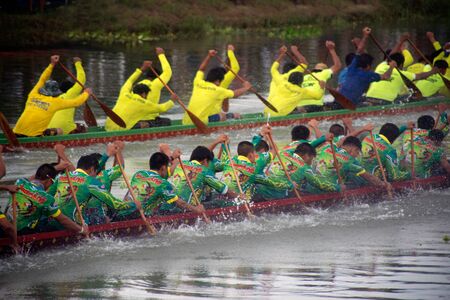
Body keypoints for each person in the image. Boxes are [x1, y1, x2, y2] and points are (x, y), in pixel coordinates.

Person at [13, 55, 91, 137]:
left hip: (15, 132)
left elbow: (42, 79)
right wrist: (86, 93)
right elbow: (77, 102)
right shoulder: (56, 101)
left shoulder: (33, 94)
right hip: (34, 135)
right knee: (62, 130)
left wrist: (52, 64)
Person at [48, 155, 137, 226]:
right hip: (71, 224)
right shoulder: (90, 181)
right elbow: (115, 204)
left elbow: (48, 196)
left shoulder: (62, 177)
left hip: (51, 219)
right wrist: (135, 204)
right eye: (96, 172)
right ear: (91, 169)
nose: (96, 175)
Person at [7, 164, 89, 236]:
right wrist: (81, 230)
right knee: (50, 219)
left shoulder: (19, 182)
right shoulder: (46, 198)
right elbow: (63, 220)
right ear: (49, 180)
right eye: (53, 182)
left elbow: (33, 177)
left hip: (6, 225)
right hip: (22, 232)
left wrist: (56, 167)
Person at [182, 50, 251, 125]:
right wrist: (246, 88)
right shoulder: (218, 90)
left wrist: (209, 56)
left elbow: (201, 69)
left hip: (185, 121)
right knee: (225, 115)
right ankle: (233, 116)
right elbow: (235, 94)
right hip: (201, 123)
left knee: (219, 113)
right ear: (218, 81)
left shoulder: (198, 82)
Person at [125, 151, 205, 217]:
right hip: (139, 216)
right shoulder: (163, 184)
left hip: (126, 210)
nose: (168, 170)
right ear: (163, 168)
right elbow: (180, 203)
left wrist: (172, 158)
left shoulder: (138, 174)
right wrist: (196, 209)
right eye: (167, 168)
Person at [364, 34, 438, 105]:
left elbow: (390, 56)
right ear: (401, 65)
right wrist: (433, 71)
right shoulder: (403, 74)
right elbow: (421, 76)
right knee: (409, 96)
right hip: (385, 102)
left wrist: (401, 40)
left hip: (369, 98)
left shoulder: (381, 66)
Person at [161, 145, 238, 213]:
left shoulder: (179, 165)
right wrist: (240, 197)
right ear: (205, 160)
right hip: (184, 210)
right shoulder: (204, 171)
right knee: (219, 201)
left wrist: (172, 157)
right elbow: (224, 190)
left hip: (166, 206)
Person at [257, 142, 342, 200]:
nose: (311, 163)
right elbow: (320, 184)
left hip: (261, 188)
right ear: (306, 156)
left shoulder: (282, 153)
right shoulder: (305, 168)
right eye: (312, 159)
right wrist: (338, 187)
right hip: (275, 195)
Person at [105, 61, 175, 131]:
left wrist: (141, 69)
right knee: (166, 121)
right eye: (147, 95)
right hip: (122, 129)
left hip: (107, 126)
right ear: (144, 94)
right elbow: (162, 108)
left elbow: (129, 81)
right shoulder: (143, 103)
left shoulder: (124, 94)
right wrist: (172, 101)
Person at [337, 27, 395, 107]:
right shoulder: (369, 75)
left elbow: (359, 50)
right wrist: (391, 66)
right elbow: (386, 76)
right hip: (349, 104)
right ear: (368, 66)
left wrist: (365, 36)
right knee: (369, 103)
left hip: (338, 100)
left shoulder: (352, 67)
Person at [264, 46, 324, 117]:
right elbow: (318, 96)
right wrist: (322, 87)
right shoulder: (302, 91)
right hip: (280, 114)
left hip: (266, 113)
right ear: (300, 83)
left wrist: (282, 55)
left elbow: (273, 69)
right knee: (304, 113)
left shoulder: (280, 81)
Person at [221, 140, 292, 200]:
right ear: (251, 155)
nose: (256, 155)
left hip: (222, 196)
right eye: (254, 153)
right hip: (239, 200)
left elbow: (225, 154)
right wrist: (289, 184)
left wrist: (225, 144)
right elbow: (270, 182)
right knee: (260, 187)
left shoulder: (228, 161)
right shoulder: (252, 169)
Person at [316, 136, 390, 188]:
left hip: (314, 182)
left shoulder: (328, 147)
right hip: (328, 188)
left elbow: (340, 141)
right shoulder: (349, 160)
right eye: (357, 152)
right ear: (354, 149)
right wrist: (383, 184)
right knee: (360, 181)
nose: (356, 156)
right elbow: (369, 177)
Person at [296, 40, 342, 112]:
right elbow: (338, 65)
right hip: (315, 106)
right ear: (324, 70)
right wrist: (332, 50)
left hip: (300, 107)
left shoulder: (304, 77)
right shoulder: (324, 73)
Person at [47, 57, 87, 135]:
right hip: (65, 129)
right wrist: (78, 63)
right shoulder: (71, 94)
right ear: (70, 89)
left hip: (49, 128)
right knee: (82, 127)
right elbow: (81, 80)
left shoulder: (54, 98)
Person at [137, 47, 173, 127]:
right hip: (149, 120)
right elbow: (168, 72)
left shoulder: (138, 85)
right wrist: (161, 55)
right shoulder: (156, 84)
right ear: (157, 78)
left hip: (134, 120)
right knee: (168, 122)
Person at [209, 44, 242, 121]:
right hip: (211, 118)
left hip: (202, 116)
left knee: (225, 113)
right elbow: (235, 68)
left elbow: (225, 109)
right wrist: (230, 52)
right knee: (235, 115)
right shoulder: (223, 81)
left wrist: (225, 96)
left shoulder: (201, 82)